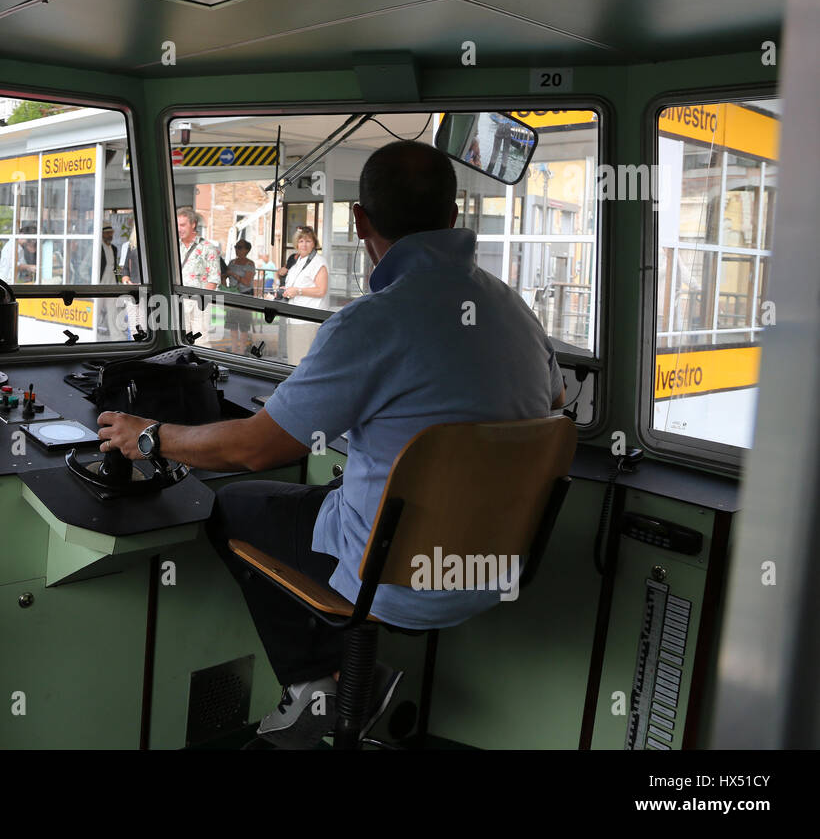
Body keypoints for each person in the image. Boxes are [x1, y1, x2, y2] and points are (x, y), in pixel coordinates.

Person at [97, 141, 565, 748]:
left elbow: (255, 450)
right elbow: (549, 410)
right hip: (490, 567)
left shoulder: (372, 322)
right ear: (454, 217)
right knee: (334, 491)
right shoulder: (514, 309)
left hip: (391, 577)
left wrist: (151, 436)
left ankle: (320, 685)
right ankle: (350, 676)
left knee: (231, 506)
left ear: (359, 220)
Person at [280, 226, 329, 364]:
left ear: (314, 243)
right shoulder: (298, 262)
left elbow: (321, 290)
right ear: (296, 244)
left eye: (308, 241)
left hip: (308, 320)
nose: (304, 244)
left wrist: (298, 291)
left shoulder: (318, 262)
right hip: (294, 319)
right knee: (294, 360)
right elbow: (295, 286)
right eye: (301, 241)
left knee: (302, 362)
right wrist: (287, 289)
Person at [176, 207, 220, 341]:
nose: (179, 229)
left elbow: (214, 279)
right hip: (178, 303)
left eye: (182, 225)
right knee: (180, 343)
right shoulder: (174, 246)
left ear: (193, 224)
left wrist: (202, 302)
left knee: (200, 343)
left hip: (198, 305)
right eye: (176, 225)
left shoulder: (208, 247)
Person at [222, 239, 257, 353]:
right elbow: (224, 276)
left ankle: (241, 352)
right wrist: (225, 287)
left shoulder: (250, 264)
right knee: (232, 325)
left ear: (247, 250)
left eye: (240, 247)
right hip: (233, 295)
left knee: (243, 325)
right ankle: (234, 350)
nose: (237, 249)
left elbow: (247, 282)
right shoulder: (232, 262)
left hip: (245, 296)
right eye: (236, 247)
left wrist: (232, 274)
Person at [96, 225, 123, 339]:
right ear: (102, 234)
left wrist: (119, 278)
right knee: (96, 309)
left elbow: (114, 267)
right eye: (107, 233)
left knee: (113, 311)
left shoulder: (114, 248)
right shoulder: (98, 248)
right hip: (100, 283)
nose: (110, 235)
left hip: (112, 282)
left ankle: (117, 336)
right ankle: (93, 333)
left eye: (111, 233)